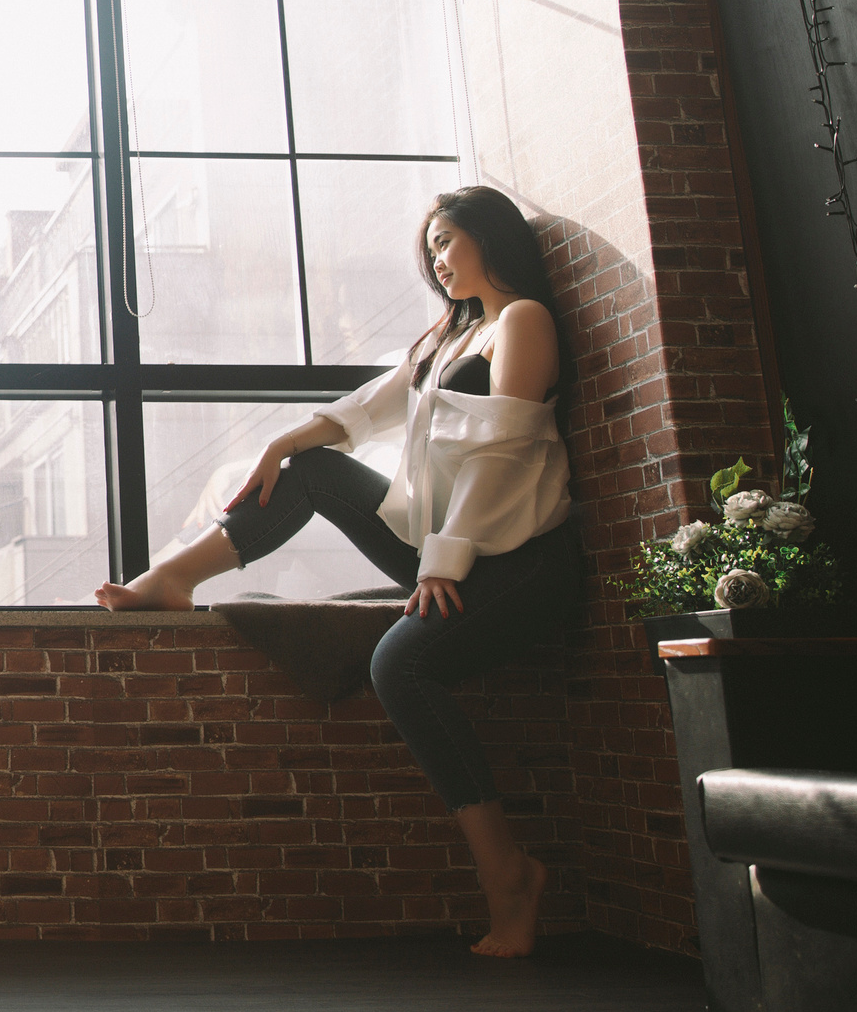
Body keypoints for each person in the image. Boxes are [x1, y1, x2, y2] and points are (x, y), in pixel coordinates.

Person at [96, 185, 580, 958]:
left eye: (448, 240)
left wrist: (444, 562)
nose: (437, 259)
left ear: (491, 238)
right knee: (316, 467)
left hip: (516, 557)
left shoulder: (522, 322)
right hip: (445, 548)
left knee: (401, 661)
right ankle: (176, 579)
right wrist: (281, 443)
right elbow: (364, 407)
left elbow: (502, 454)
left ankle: (509, 875)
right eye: (430, 248)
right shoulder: (449, 339)